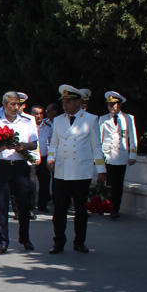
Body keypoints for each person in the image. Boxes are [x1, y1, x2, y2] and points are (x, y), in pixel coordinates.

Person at [47, 84, 105, 253]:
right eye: (64, 102)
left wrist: (101, 169)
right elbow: (54, 144)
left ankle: (79, 242)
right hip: (61, 172)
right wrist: (50, 159)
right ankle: (58, 242)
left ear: (79, 102)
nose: (66, 105)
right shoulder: (58, 120)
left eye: (69, 102)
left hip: (81, 171)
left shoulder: (91, 119)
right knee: (59, 210)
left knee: (80, 210)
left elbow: (97, 146)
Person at [0, 91, 41, 254]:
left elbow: (34, 144)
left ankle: (25, 238)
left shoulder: (28, 121)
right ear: (4, 105)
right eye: (12, 104)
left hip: (20, 165)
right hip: (2, 165)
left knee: (24, 204)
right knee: (2, 204)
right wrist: (4, 146)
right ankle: (3, 241)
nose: (16, 107)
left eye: (18, 104)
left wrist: (22, 147)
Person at [98, 90, 137, 220]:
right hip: (108, 155)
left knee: (118, 184)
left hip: (121, 155)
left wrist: (132, 155)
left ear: (119, 105)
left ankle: (115, 208)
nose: (112, 107)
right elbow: (99, 138)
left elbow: (133, 138)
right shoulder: (103, 119)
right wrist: (99, 158)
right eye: (109, 104)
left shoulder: (128, 118)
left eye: (114, 104)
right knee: (109, 182)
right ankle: (108, 206)